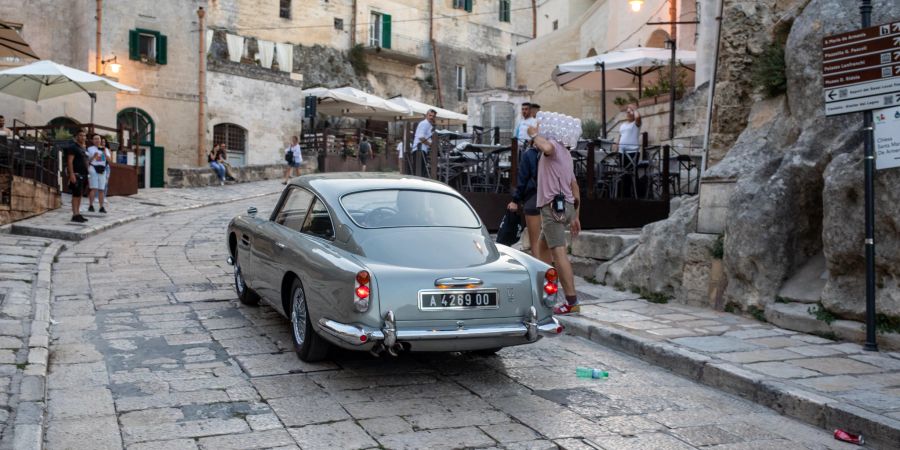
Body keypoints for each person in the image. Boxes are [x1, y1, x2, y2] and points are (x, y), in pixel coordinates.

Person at [529, 123, 582, 315]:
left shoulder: (553, 146)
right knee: (542, 248)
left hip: (552, 208)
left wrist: (534, 134)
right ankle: (544, 293)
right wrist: (575, 215)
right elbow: (575, 187)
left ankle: (571, 301)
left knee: (559, 253)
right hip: (566, 207)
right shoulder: (567, 155)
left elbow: (546, 147)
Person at [507, 120, 544, 261]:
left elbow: (522, 180)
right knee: (549, 243)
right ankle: (552, 276)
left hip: (533, 200)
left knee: (535, 242)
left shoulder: (529, 154)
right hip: (552, 201)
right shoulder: (553, 153)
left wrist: (515, 200)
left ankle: (541, 276)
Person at [64, 129, 90, 223]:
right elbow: (70, 161)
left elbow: (86, 161)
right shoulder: (73, 147)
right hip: (76, 174)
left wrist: (89, 173)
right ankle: (74, 214)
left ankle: (78, 214)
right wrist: (71, 174)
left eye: (84, 136)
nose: (83, 137)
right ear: (76, 137)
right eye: (80, 135)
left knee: (80, 195)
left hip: (84, 174)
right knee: (75, 195)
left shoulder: (84, 148)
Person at [86, 134, 109, 213]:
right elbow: (88, 161)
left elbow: (110, 160)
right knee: (94, 188)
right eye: (95, 139)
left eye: (98, 139)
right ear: (92, 141)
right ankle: (91, 205)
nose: (97, 140)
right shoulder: (90, 149)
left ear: (100, 140)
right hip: (93, 168)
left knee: (101, 189)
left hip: (102, 169)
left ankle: (101, 207)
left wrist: (105, 152)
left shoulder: (105, 149)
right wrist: (94, 156)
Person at [411, 109, 436, 177]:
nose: (431, 117)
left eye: (433, 116)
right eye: (430, 115)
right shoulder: (425, 123)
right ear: (426, 115)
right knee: (420, 172)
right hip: (419, 150)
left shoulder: (428, 124)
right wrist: (431, 145)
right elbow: (421, 137)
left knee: (420, 171)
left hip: (421, 149)